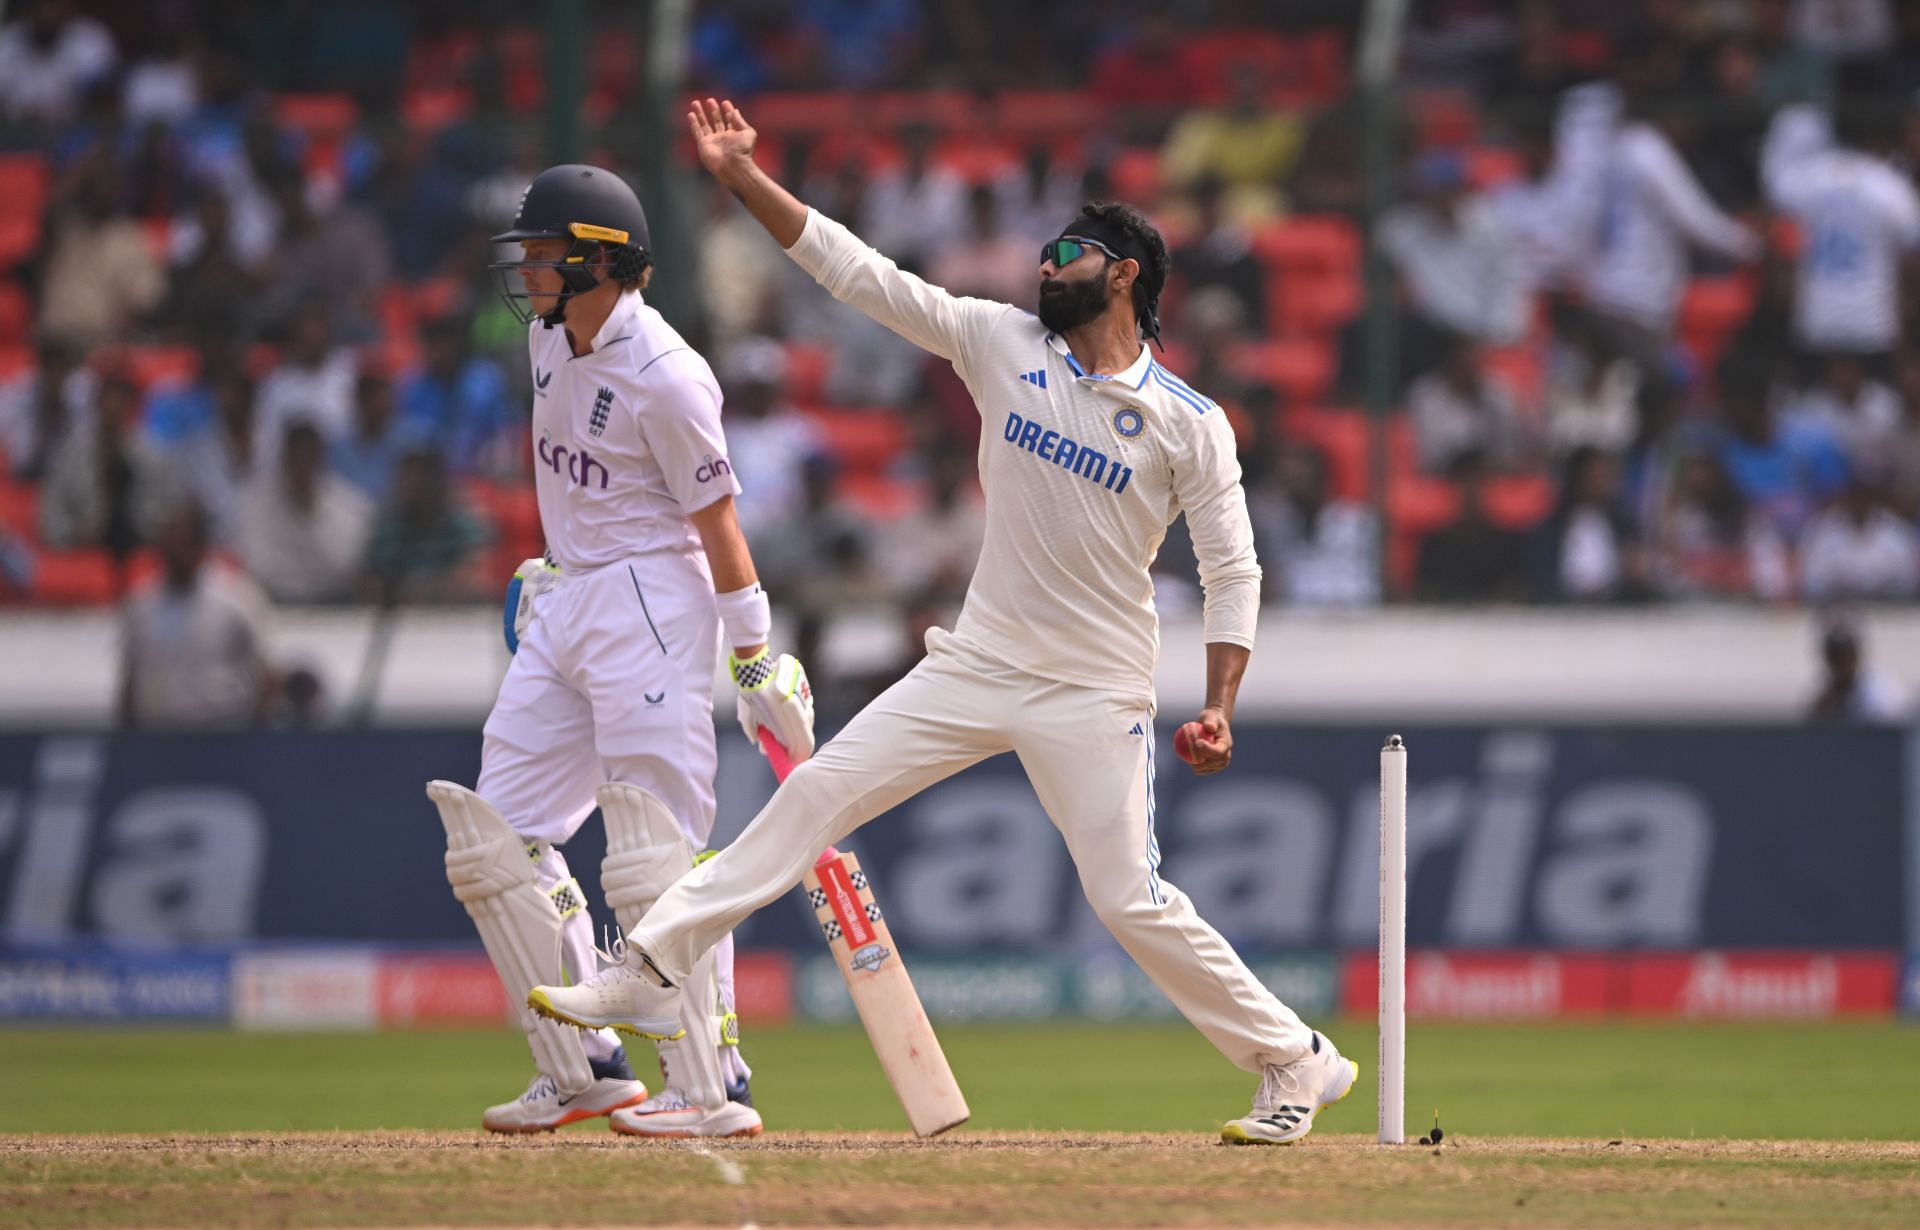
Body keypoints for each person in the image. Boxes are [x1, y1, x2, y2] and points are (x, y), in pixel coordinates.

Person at [530, 99, 1358, 1149]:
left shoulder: (1190, 424)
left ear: (1126, 276)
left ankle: (1295, 1059)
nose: (1045, 265)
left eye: (1070, 253)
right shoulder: (998, 340)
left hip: (1094, 690)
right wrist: (742, 181)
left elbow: (1234, 571)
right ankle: (649, 971)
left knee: (1127, 900)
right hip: (977, 665)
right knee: (816, 794)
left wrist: (1221, 706)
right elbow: (860, 275)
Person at [430, 162, 814, 1138]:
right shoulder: (545, 343)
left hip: (653, 604)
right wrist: (558, 563)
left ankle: (712, 1082)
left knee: (653, 851)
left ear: (601, 260)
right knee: (492, 838)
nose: (531, 271)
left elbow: (719, 526)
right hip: (572, 598)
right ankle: (582, 1066)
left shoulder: (670, 376)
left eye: (546, 253)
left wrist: (757, 655)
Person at [118, 498, 275, 730]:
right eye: (166, 543)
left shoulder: (237, 598)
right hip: (156, 737)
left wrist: (253, 740)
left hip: (222, 736)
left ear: (200, 545)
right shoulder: (142, 603)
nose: (171, 551)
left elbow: (267, 675)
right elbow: (130, 678)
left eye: (180, 543)